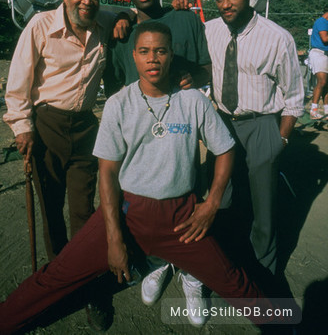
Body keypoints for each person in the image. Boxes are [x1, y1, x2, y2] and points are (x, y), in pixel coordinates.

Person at [0, 22, 296, 335]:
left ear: (171, 56)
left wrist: (211, 203)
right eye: (144, 51)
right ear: (135, 57)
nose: (152, 58)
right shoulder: (119, 104)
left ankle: (282, 326)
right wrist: (114, 239)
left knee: (234, 280)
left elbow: (225, 150)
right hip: (128, 212)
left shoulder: (192, 101)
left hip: (182, 219)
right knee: (56, 276)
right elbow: (108, 172)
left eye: (160, 51)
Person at [103, 0, 212, 325]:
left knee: (188, 195)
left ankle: (192, 271)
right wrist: (121, 17)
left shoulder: (185, 17)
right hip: (143, 131)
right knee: (148, 199)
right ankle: (158, 261)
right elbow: (116, 82)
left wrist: (188, 76)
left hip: (182, 125)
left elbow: (204, 69)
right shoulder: (122, 31)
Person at [3, 0, 130, 260]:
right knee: (51, 208)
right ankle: (59, 276)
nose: (87, 1)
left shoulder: (103, 21)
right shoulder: (40, 25)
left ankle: (83, 274)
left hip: (85, 128)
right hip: (47, 126)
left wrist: (124, 17)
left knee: (83, 209)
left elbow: (130, 12)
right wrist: (22, 127)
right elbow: (18, 82)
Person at [203, 0, 304, 277]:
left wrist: (281, 140)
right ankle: (222, 263)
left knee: (264, 206)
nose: (225, 5)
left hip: (261, 123)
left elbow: (294, 96)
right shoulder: (209, 30)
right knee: (221, 197)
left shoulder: (277, 38)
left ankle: (263, 272)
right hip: (222, 121)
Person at [308, 8, 328, 119]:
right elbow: (325, 38)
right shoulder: (322, 22)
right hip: (318, 53)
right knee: (322, 81)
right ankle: (313, 110)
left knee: (327, 84)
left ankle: (326, 111)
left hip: (326, 54)